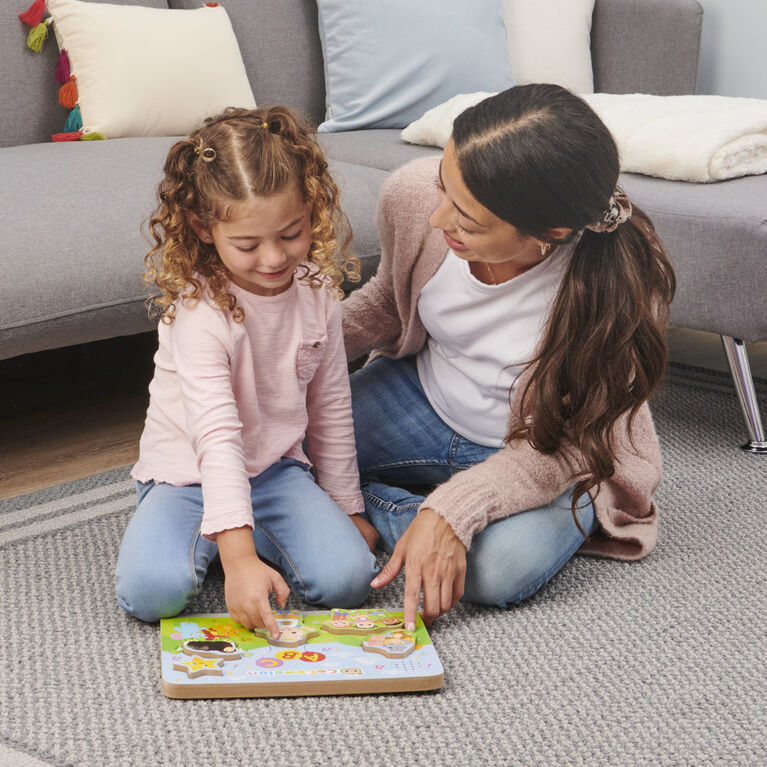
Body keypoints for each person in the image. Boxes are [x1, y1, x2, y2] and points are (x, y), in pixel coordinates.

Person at [343, 84, 676, 631]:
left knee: (495, 572)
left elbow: (570, 446)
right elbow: (386, 301)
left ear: (551, 233)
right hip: (422, 397)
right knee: (272, 442)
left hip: (550, 448)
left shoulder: (618, 292)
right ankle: (403, 516)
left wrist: (453, 510)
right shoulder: (412, 198)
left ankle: (401, 512)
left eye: (467, 221)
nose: (437, 218)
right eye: (442, 188)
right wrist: (289, 354)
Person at [115, 106, 379, 639]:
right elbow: (216, 433)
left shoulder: (318, 292)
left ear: (312, 209)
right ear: (202, 227)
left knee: (349, 579)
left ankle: (243, 535)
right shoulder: (200, 311)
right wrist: (236, 561)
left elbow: (329, 404)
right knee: (152, 593)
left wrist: (347, 506)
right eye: (248, 244)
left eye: (292, 232)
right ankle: (230, 539)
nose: (274, 257)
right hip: (186, 473)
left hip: (276, 471)